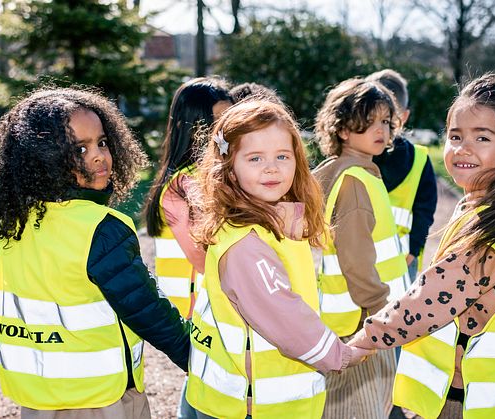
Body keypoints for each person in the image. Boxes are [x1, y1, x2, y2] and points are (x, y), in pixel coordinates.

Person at [348, 73, 495, 418]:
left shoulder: (489, 231)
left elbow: (430, 298)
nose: (462, 148)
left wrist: (362, 342)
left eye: (482, 137)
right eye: (455, 135)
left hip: (468, 402)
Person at [0, 88, 191, 418]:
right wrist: (196, 360)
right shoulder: (102, 227)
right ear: (42, 158)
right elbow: (146, 308)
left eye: (102, 142)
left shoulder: (12, 223)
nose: (100, 155)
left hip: (36, 398)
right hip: (100, 399)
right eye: (80, 149)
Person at [185, 100, 374, 419]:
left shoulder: (274, 223)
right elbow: (285, 316)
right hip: (253, 404)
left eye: (282, 156)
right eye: (255, 158)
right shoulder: (246, 244)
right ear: (228, 167)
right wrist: (340, 354)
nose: (271, 168)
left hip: (258, 398)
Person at [312, 78, 409, 419]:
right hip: (364, 320)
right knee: (364, 408)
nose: (380, 130)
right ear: (341, 129)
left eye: (386, 121)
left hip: (348, 319)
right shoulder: (355, 179)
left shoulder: (336, 171)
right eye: (369, 121)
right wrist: (380, 311)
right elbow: (356, 257)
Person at [143, 77, 232, 320]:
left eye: (230, 121)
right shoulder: (182, 186)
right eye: (216, 123)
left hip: (216, 307)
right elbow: (200, 259)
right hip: (195, 314)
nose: (225, 132)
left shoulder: (221, 173)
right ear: (192, 127)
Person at [368, 69, 438, 284]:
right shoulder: (419, 158)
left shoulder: (358, 154)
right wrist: (412, 250)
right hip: (401, 256)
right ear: (405, 116)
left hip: (386, 256)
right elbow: (425, 211)